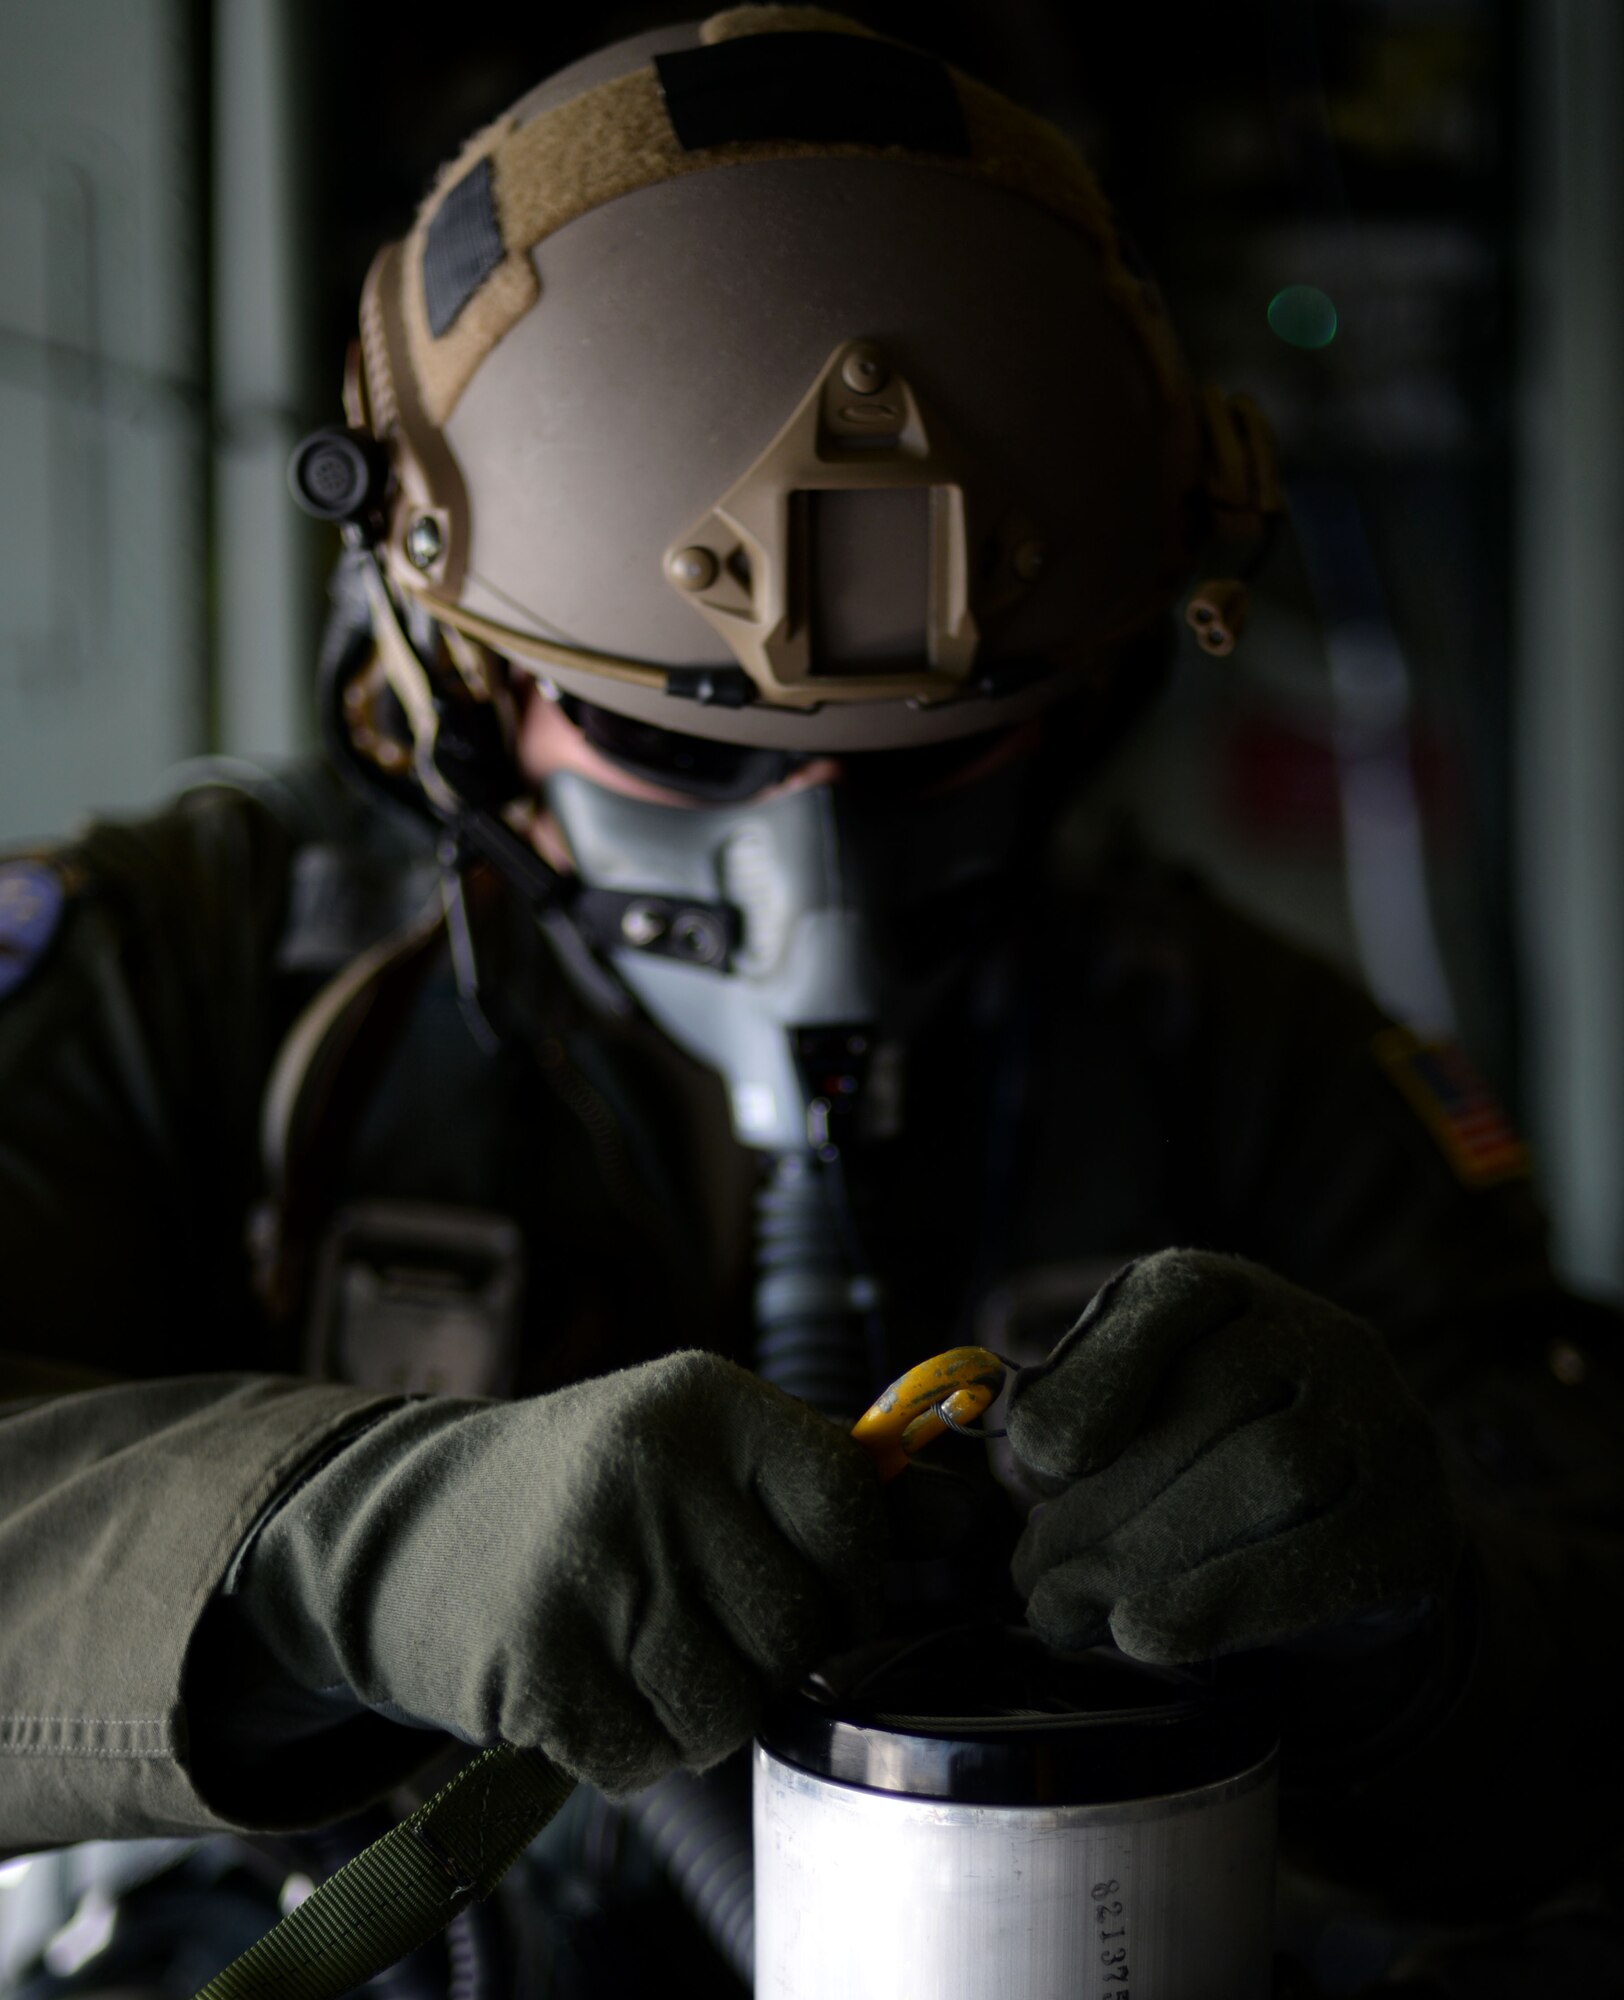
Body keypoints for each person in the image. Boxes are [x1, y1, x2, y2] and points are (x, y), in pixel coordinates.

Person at [1, 9, 1621, 1996]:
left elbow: (1592, 1646)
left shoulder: (1239, 1046)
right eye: (671, 749)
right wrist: (327, 1554)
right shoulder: (186, 984)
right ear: (448, 675)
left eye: (936, 756)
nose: (809, 862)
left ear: (1084, 698)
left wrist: (1414, 1620)